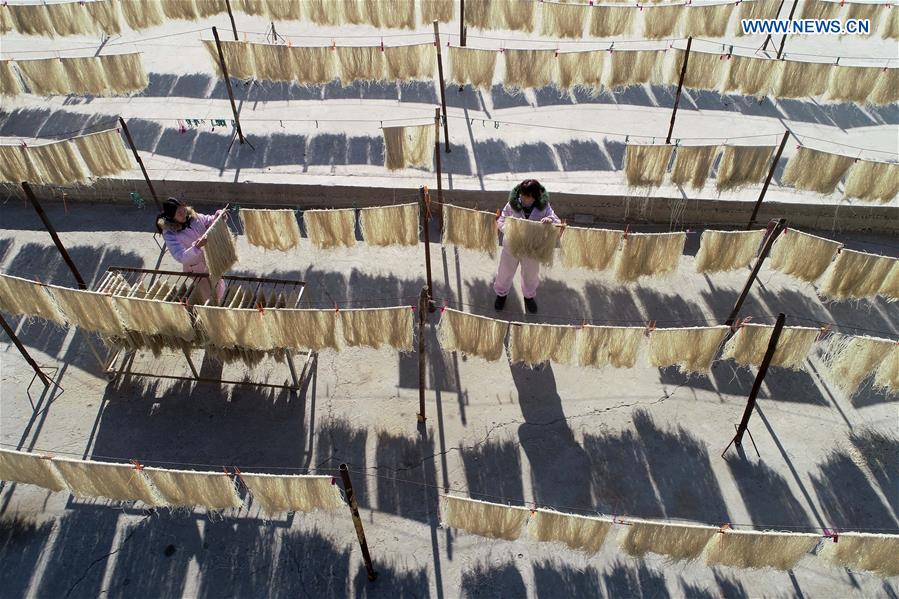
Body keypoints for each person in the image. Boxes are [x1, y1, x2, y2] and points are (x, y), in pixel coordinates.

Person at [493, 179, 560, 314]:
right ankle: (501, 294)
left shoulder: (544, 206)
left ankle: (529, 297)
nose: (522, 198)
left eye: (527, 196)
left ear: (534, 197)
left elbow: (557, 221)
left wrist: (549, 220)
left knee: (530, 275)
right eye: (522, 195)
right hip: (512, 245)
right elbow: (500, 220)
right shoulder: (512, 205)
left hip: (532, 249)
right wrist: (511, 229)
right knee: (505, 271)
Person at [156, 197, 226, 303]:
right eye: (179, 213)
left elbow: (209, 221)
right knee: (207, 292)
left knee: (218, 283)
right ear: (171, 217)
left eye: (183, 210)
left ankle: (220, 301)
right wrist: (196, 247)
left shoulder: (194, 217)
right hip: (195, 267)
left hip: (210, 259)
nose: (184, 214)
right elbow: (181, 256)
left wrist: (218, 216)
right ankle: (211, 310)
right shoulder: (169, 233)